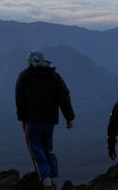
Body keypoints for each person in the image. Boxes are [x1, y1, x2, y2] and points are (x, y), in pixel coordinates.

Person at [15, 50, 75, 189]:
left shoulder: (24, 76)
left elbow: (19, 98)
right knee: (48, 148)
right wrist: (69, 118)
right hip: (49, 120)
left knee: (36, 148)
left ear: (30, 61)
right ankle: (53, 176)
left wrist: (21, 116)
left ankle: (45, 177)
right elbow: (64, 96)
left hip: (32, 120)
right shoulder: (54, 76)